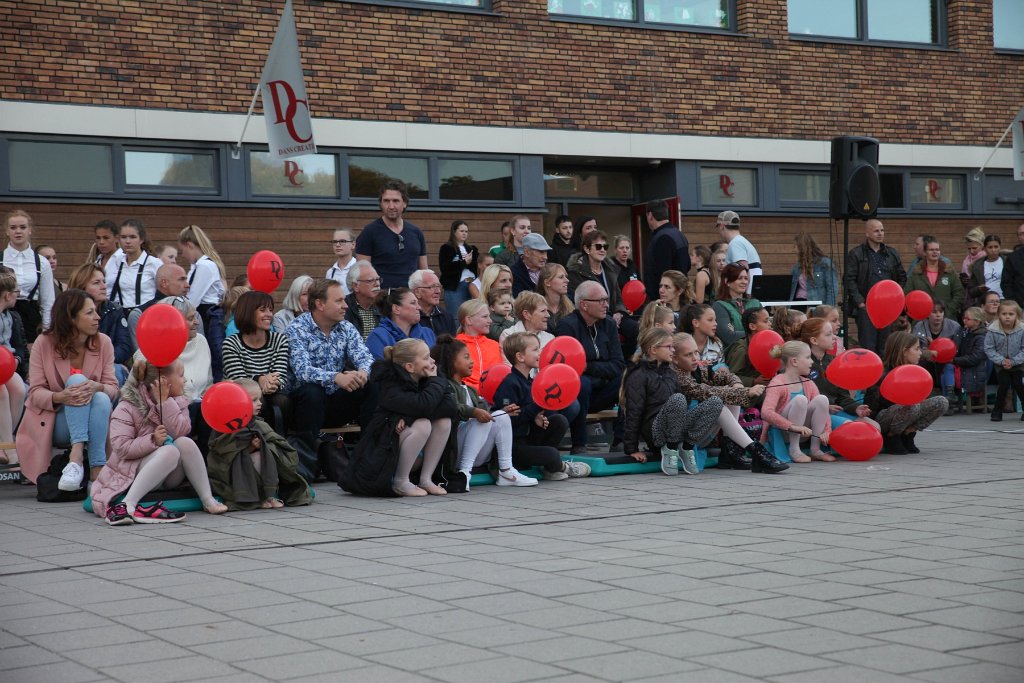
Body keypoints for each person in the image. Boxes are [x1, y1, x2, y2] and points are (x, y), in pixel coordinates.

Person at [91, 360, 228, 525]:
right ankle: (128, 504)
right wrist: (152, 440)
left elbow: (181, 431)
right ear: (162, 381)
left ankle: (208, 499)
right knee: (170, 451)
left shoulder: (177, 401)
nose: (185, 380)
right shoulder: (128, 406)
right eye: (181, 375)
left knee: (185, 442)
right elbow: (122, 449)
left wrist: (164, 403)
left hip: (168, 476)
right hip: (132, 473)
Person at [16, 289, 118, 488]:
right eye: (89, 313)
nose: (97, 317)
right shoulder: (44, 343)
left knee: (101, 397)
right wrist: (60, 397)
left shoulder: (103, 342)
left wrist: (98, 387)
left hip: (95, 418)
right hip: (55, 420)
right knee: (77, 380)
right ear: (70, 318)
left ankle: (88, 467)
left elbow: (113, 388)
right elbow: (35, 392)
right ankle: (80, 459)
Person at [672, 332, 787, 473]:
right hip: (682, 437)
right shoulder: (678, 377)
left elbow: (727, 376)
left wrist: (737, 384)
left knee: (732, 399)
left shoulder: (698, 369)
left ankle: (730, 454)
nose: (695, 358)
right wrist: (746, 392)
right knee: (718, 404)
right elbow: (708, 392)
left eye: (696, 352)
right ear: (675, 359)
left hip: (699, 432)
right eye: (688, 355)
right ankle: (757, 452)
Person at [431, 335, 537, 489]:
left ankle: (506, 471)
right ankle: (464, 473)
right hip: (455, 451)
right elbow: (452, 407)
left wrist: (502, 411)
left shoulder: (471, 390)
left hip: (477, 451)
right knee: (481, 419)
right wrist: (473, 412)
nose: (471, 361)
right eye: (466, 357)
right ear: (451, 361)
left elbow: (487, 413)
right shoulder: (444, 386)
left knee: (500, 417)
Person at [285, 278, 373, 445]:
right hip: (304, 407)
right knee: (312, 391)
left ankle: (368, 449)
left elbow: (365, 357)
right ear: (320, 304)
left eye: (344, 300)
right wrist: (336, 377)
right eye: (339, 301)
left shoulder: (346, 327)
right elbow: (302, 371)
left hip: (336, 404)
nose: (346, 305)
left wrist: (362, 373)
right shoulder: (296, 329)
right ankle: (309, 459)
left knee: (371, 384)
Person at [493, 332, 591, 481]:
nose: (540, 353)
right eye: (535, 349)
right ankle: (562, 467)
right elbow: (509, 421)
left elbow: (528, 413)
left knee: (559, 420)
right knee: (552, 455)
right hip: (513, 447)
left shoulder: (531, 381)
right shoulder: (510, 384)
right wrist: (536, 406)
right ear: (520, 357)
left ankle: (548, 468)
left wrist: (537, 419)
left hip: (528, 438)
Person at [364, 338, 454, 496]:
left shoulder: (431, 375)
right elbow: (423, 405)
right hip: (383, 455)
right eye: (426, 358)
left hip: (410, 451)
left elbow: (450, 406)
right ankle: (400, 481)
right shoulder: (391, 383)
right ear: (410, 367)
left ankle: (426, 479)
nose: (432, 361)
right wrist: (433, 383)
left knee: (443, 421)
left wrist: (408, 415)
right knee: (423, 424)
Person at [207, 378, 311, 510]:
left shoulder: (259, 423)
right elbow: (220, 453)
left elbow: (279, 443)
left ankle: (268, 495)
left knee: (267, 454)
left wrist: (264, 446)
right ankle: (255, 497)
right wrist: (248, 448)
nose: (260, 404)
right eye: (254, 400)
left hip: (260, 467)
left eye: (260, 399)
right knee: (252, 458)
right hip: (232, 476)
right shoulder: (224, 426)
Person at [621, 328, 704, 475]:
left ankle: (685, 447)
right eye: (669, 347)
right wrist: (631, 449)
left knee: (715, 403)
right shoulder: (638, 375)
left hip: (675, 429)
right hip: (656, 433)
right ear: (653, 349)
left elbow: (682, 409)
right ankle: (670, 448)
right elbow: (634, 412)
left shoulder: (670, 373)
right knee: (678, 399)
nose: (673, 350)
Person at [554, 281, 626, 453]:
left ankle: (621, 440)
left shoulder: (608, 324)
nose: (606, 305)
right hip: (577, 391)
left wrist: (587, 366)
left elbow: (618, 364)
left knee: (628, 378)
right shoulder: (568, 325)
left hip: (603, 389)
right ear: (584, 305)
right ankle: (579, 444)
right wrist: (595, 369)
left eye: (606, 300)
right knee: (582, 382)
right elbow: (569, 368)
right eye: (600, 300)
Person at [866, 331, 948, 453]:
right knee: (911, 405)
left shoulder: (915, 371)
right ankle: (892, 437)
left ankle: (909, 433)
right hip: (882, 418)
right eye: (917, 349)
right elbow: (872, 407)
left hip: (908, 414)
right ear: (904, 351)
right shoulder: (883, 372)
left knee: (941, 402)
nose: (920, 353)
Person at [221, 290, 291, 425]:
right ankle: (257, 439)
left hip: (272, 392)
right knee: (257, 400)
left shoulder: (280, 339)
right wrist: (260, 379)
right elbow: (239, 381)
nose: (269, 315)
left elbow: (280, 376)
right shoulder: (231, 343)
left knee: (282, 401)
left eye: (270, 310)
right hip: (242, 397)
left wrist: (270, 383)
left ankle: (279, 441)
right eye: (263, 310)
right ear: (247, 312)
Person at [760, 341, 832, 463]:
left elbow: (823, 409)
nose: (812, 362)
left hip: (804, 432)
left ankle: (815, 449)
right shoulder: (778, 382)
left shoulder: (808, 383)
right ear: (794, 361)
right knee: (800, 400)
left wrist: (827, 430)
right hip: (784, 432)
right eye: (808, 357)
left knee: (822, 399)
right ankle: (794, 450)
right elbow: (766, 412)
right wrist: (792, 426)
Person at [799, 318, 877, 428]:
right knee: (851, 428)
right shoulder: (801, 364)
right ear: (814, 341)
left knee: (874, 426)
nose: (834, 337)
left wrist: (855, 408)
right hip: (814, 415)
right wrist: (825, 407)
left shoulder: (834, 362)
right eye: (828, 334)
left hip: (836, 412)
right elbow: (798, 398)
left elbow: (843, 397)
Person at [844, 219, 906, 354]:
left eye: (882, 230)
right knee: (868, 347)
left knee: (886, 347)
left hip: (887, 307)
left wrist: (896, 300)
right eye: (876, 230)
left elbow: (902, 277)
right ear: (867, 233)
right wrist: (860, 303)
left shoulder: (892, 253)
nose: (880, 233)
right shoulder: (856, 253)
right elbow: (849, 280)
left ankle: (884, 375)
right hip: (867, 307)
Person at [355, 180, 428, 289]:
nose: (391, 206)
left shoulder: (416, 232)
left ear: (404, 203)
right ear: (381, 203)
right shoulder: (369, 232)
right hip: (382, 299)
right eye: (386, 201)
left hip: (412, 298)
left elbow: (423, 272)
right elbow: (363, 273)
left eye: (396, 201)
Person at [178, 224, 227, 382]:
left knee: (214, 356)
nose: (183, 255)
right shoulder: (200, 265)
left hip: (208, 316)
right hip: (205, 314)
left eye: (183, 251)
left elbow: (193, 299)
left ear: (190, 245)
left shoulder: (205, 266)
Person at [67, 264, 132, 377]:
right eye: (96, 283)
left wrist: (99, 361)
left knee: (115, 371)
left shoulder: (115, 310)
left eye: (104, 281)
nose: (104, 286)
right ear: (82, 287)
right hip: (74, 365)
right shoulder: (66, 310)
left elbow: (124, 347)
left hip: (108, 364)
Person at [3, 209, 55, 342]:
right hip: (3, 316)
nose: (18, 231)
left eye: (23, 227)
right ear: (7, 231)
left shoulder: (41, 262)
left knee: (30, 360)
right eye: (13, 227)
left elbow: (48, 301)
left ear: (29, 230)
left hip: (30, 317)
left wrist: (47, 329)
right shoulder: (1, 258)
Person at [913, 301, 963, 411]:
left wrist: (936, 347)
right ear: (927, 314)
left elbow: (957, 349)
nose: (938, 315)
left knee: (948, 365)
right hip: (926, 359)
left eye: (941, 312)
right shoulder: (919, 326)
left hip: (947, 360)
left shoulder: (954, 327)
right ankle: (924, 397)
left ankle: (949, 399)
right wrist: (929, 351)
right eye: (934, 312)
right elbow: (915, 349)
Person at [127, 263, 191, 346]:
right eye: (181, 280)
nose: (187, 285)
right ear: (164, 283)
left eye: (186, 280)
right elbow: (140, 354)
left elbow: (198, 347)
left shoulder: (191, 311)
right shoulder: (139, 315)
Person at [106, 218, 160, 313]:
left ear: (141, 239)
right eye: (123, 237)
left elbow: (162, 292)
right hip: (124, 315)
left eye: (132, 237)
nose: (127, 241)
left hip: (147, 314)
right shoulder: (118, 261)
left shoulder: (154, 263)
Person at [568, 230, 626, 318]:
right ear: (587, 249)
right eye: (598, 247)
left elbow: (618, 299)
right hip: (591, 318)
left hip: (613, 316)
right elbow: (577, 303)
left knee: (635, 327)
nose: (602, 250)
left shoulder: (610, 270)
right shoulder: (576, 272)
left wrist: (619, 312)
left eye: (605, 247)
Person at [367, 287, 437, 359]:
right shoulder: (378, 337)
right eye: (413, 303)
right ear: (396, 309)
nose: (419, 307)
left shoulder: (427, 333)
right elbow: (379, 368)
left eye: (418, 303)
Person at [0, 271, 26, 465]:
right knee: (1, 392)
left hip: (5, 367)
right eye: (16, 291)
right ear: (7, 295)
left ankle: (4, 440)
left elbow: (18, 346)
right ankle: (8, 446)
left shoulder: (11, 317)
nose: (18, 295)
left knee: (18, 387)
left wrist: (16, 359)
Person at [984, 299, 1024, 422]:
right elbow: (989, 348)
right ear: (999, 315)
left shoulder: (1022, 329)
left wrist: (1013, 361)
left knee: (1019, 385)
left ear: (1017, 315)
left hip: (1018, 363)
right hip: (1000, 364)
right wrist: (1002, 361)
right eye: (1004, 314)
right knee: (1004, 385)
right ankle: (997, 412)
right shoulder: (992, 330)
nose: (1007, 317)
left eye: (1011, 314)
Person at [643, 199, 690, 302]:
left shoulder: (662, 238)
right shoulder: (679, 235)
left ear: (650, 215)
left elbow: (662, 272)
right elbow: (687, 265)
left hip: (665, 303)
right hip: (678, 297)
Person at [905, 237, 965, 318]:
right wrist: (919, 311)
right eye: (931, 250)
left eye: (937, 250)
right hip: (922, 319)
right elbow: (908, 295)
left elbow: (959, 294)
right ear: (925, 252)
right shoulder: (916, 273)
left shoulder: (949, 272)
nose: (935, 252)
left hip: (946, 318)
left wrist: (946, 310)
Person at [454, 299, 502, 390]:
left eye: (489, 316)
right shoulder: (455, 346)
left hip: (494, 395)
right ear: (469, 320)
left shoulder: (495, 345)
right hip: (467, 396)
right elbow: (455, 378)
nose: (490, 321)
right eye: (485, 317)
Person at [712, 264, 762, 345]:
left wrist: (737, 332)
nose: (744, 282)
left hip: (758, 347)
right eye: (739, 278)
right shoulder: (719, 306)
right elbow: (728, 337)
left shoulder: (755, 303)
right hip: (735, 353)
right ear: (727, 281)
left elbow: (767, 329)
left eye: (746, 278)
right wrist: (757, 331)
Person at [724, 306, 772, 388]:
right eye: (765, 321)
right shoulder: (741, 349)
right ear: (752, 326)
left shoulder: (767, 345)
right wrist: (753, 381)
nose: (770, 324)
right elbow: (731, 376)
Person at [952, 307, 990, 412]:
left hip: (974, 370)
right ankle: (949, 395)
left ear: (977, 321)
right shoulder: (964, 332)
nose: (964, 320)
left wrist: (955, 360)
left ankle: (952, 397)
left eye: (967, 319)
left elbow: (975, 358)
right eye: (964, 318)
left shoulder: (981, 337)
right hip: (965, 365)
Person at [438, 220, 478, 315]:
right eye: (462, 231)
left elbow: (477, 267)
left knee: (471, 316)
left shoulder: (471, 249)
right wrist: (464, 262)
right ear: (454, 231)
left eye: (466, 231)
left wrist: (471, 262)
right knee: (456, 316)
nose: (464, 234)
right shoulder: (446, 248)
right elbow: (445, 269)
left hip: (472, 285)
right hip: (456, 287)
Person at [789, 232, 839, 306]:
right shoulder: (797, 267)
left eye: (795, 246)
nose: (793, 250)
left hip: (815, 303)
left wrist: (829, 308)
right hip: (798, 303)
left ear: (802, 246)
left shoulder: (824, 264)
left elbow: (831, 288)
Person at [499, 291, 554, 356]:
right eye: (543, 311)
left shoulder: (550, 338)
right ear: (526, 314)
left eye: (547, 311)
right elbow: (508, 365)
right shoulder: (508, 335)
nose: (548, 315)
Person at [718, 211, 760, 292]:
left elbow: (744, 269)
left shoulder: (735, 243)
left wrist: (743, 296)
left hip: (746, 296)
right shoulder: (743, 242)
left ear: (721, 226)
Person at [410, 269, 458, 338]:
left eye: (438, 286)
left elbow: (452, 346)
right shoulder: (409, 317)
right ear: (417, 292)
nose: (438, 291)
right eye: (432, 287)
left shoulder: (446, 317)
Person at [344, 260, 383, 340]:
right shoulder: (343, 307)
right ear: (355, 286)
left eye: (378, 279)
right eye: (370, 281)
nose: (377, 284)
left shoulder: (383, 305)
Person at [967, 234, 1005, 306]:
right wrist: (979, 289)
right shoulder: (977, 266)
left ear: (1000, 247)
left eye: (996, 247)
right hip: (986, 302)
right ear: (984, 248)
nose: (993, 250)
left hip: (1005, 300)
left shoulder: (1007, 262)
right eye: (990, 247)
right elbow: (971, 290)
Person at [536, 263, 574, 332]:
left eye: (566, 277)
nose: (567, 280)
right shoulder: (536, 308)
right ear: (547, 282)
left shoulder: (571, 308)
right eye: (561, 277)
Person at [326, 228, 357, 295]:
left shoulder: (360, 268)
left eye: (342, 241)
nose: (337, 245)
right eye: (334, 242)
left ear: (353, 245)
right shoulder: (330, 273)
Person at [1000, 223, 1024, 308]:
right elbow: (1006, 283)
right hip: (1020, 307)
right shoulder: (1013, 258)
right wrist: (1014, 304)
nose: (1023, 236)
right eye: (1020, 234)